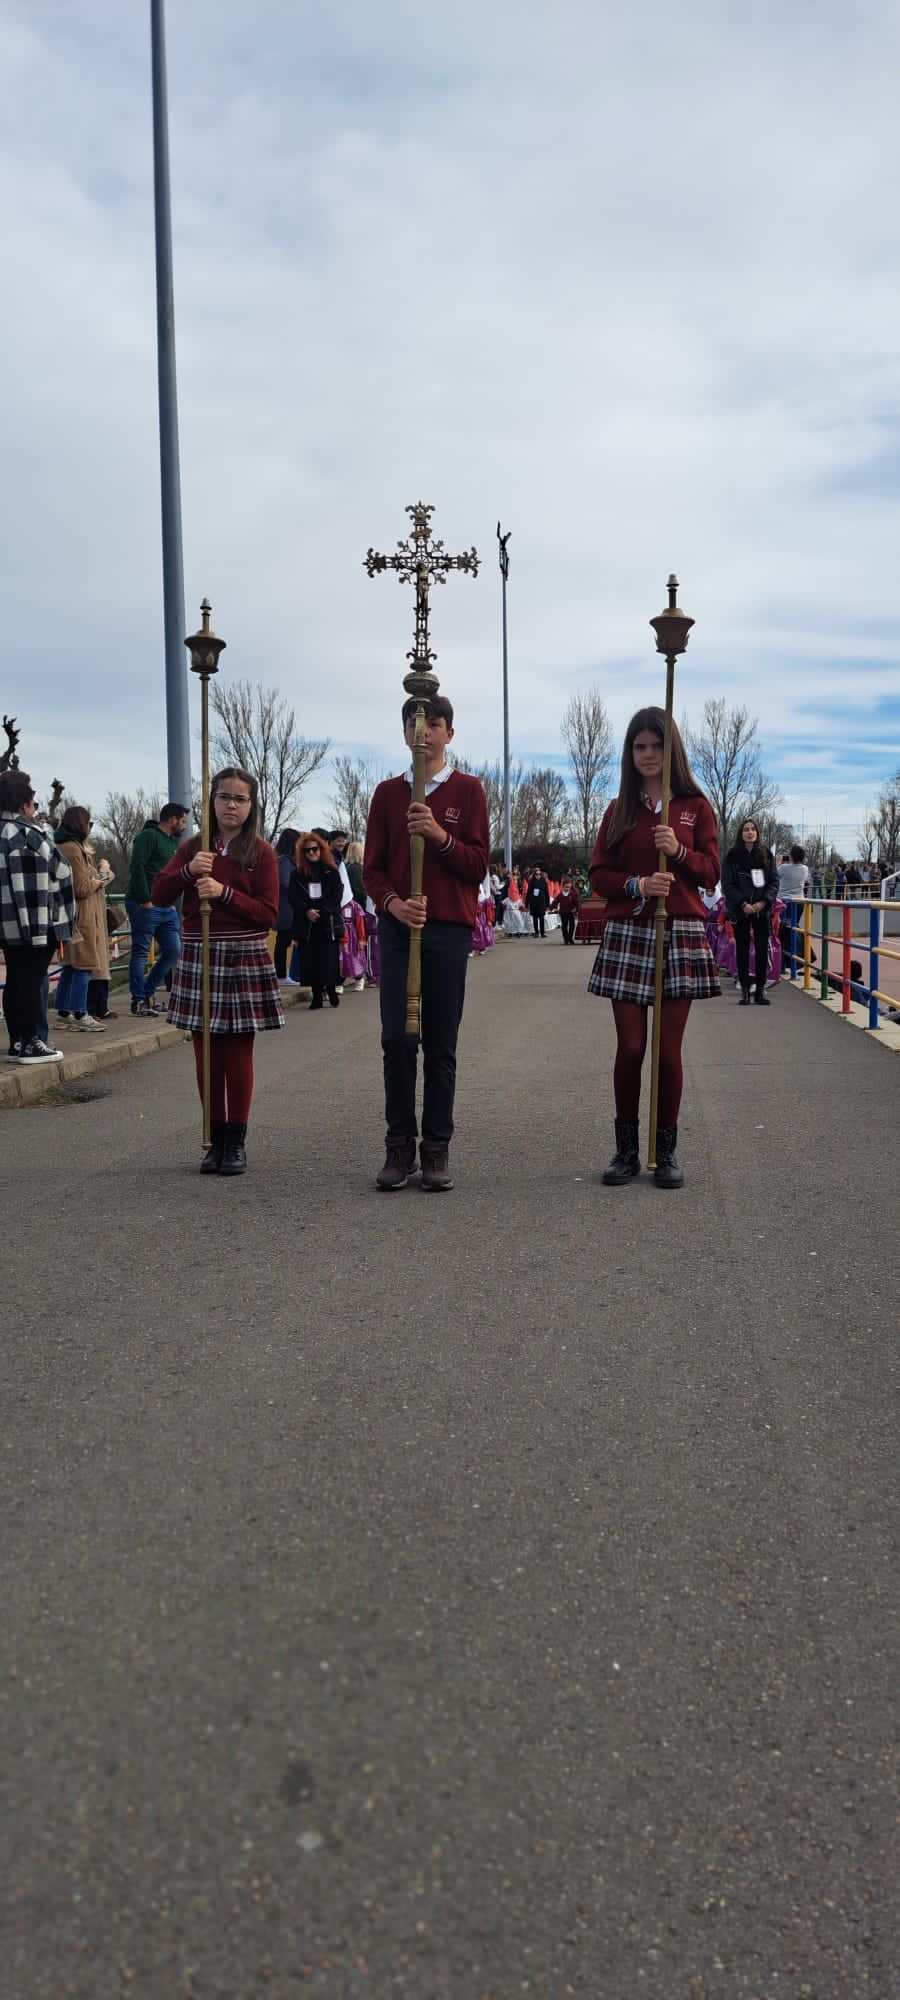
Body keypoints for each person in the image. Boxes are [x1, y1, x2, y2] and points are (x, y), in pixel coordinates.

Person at [587, 706, 720, 1188]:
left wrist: (679, 850)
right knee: (631, 1047)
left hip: (680, 929)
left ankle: (666, 1152)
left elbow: (710, 872)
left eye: (655, 746)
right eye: (638, 746)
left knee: (666, 1051)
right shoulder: (618, 809)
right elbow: (598, 874)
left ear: (671, 750)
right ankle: (625, 1150)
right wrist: (638, 885)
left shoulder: (694, 806)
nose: (647, 754)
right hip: (629, 932)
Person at [363, 693, 489, 1191]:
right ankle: (399, 1148)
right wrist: (393, 904)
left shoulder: (469, 791)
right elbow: (372, 871)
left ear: (449, 733)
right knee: (398, 1039)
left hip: (448, 931)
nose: (425, 732)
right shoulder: (387, 795)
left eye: (434, 723)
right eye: (415, 724)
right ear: (404, 733)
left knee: (440, 1043)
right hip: (399, 931)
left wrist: (438, 834)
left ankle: (436, 1148)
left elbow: (477, 864)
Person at [150, 767, 283, 1175]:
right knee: (205, 1051)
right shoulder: (193, 848)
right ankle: (213, 1136)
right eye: (224, 797)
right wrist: (189, 873)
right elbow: (158, 894)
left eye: (240, 799)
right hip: (199, 954)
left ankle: (237, 1139)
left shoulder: (260, 853)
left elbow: (268, 914)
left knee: (237, 1050)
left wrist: (224, 893)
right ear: (212, 801)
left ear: (251, 805)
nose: (231, 805)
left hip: (242, 955)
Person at [1, 769, 76, 1064]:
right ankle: (32, 1041)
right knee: (32, 980)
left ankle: (17, 1042)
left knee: (16, 980)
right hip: (37, 920)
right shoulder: (30, 834)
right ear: (23, 802)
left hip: (6, 923)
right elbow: (61, 870)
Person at [126, 802, 190, 1016]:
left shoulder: (171, 843)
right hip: (145, 904)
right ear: (172, 819)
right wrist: (145, 898)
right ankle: (138, 1001)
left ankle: (148, 993)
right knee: (141, 952)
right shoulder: (148, 837)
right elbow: (137, 867)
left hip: (166, 907)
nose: (184, 826)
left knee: (174, 949)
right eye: (183, 821)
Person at [54, 807, 112, 1032]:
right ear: (81, 825)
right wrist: (102, 878)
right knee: (84, 965)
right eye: (89, 823)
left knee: (71, 964)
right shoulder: (73, 849)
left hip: (70, 915)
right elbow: (81, 887)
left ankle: (63, 1011)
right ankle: (80, 1012)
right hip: (82, 916)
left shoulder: (63, 845)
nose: (90, 828)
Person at [722, 819, 780, 1006]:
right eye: (746, 829)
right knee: (743, 950)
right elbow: (728, 884)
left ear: (757, 833)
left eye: (753, 829)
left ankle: (760, 990)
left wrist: (763, 902)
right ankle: (745, 990)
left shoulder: (766, 855)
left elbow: (773, 882)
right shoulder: (732, 856)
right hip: (741, 910)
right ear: (741, 833)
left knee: (763, 950)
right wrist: (743, 903)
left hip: (762, 910)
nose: (750, 832)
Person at [289, 833, 344, 1008]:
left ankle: (331, 989)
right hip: (308, 923)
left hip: (327, 921)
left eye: (315, 849)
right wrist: (307, 911)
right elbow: (293, 897)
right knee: (310, 959)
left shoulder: (331, 871)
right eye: (308, 851)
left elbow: (337, 895)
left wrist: (324, 910)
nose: (312, 853)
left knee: (328, 958)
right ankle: (316, 995)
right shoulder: (297, 874)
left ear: (321, 849)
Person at [273, 828, 300, 981]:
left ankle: (282, 974)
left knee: (284, 940)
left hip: (287, 906)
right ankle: (281, 974)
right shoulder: (284, 861)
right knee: (283, 941)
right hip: (286, 907)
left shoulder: (284, 860)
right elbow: (284, 882)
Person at [550, 873, 580, 944]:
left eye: (569, 887)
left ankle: (570, 938)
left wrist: (576, 909)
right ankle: (566, 939)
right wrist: (551, 908)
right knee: (564, 926)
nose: (567, 889)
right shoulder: (560, 895)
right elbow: (555, 902)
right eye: (566, 887)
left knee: (572, 925)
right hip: (563, 912)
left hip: (571, 912)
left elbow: (577, 903)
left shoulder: (572, 894)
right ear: (563, 887)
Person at [526, 864, 550, 937]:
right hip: (534, 902)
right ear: (534, 874)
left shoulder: (543, 881)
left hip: (541, 902)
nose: (538, 875)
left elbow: (547, 892)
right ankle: (536, 932)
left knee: (542, 918)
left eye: (539, 874)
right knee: (535, 918)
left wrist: (547, 903)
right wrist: (526, 903)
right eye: (536, 874)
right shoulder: (531, 882)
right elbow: (528, 892)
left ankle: (542, 933)